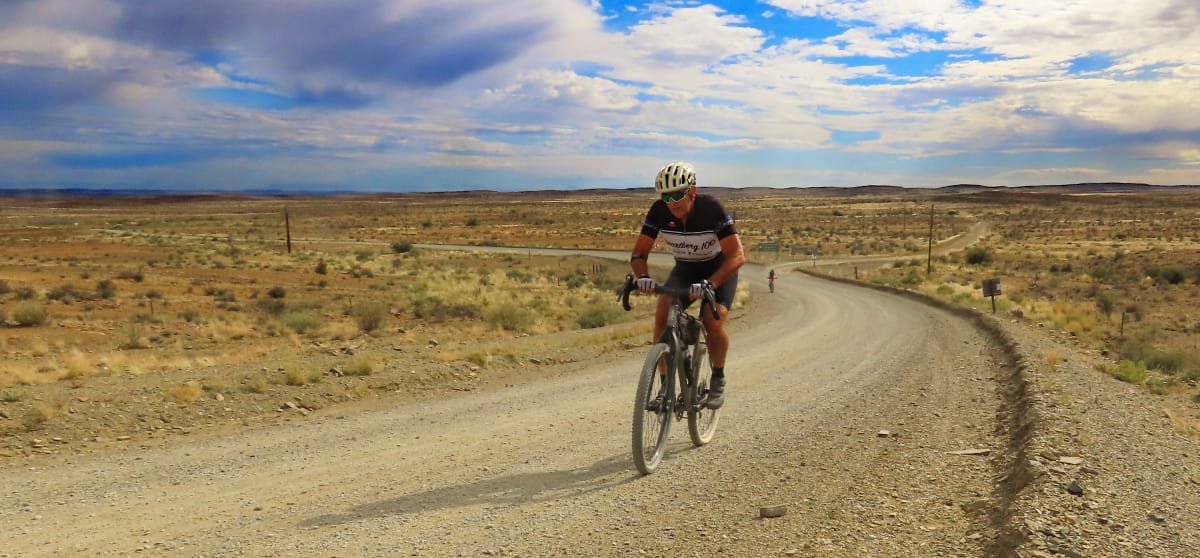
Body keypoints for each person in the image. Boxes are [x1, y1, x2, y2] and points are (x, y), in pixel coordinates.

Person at [629, 162, 745, 409]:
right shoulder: (659, 211)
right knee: (662, 316)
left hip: (718, 270)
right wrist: (643, 278)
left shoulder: (711, 208)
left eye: (677, 194)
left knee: (712, 321)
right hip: (686, 269)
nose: (671, 202)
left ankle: (718, 377)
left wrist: (710, 284)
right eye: (666, 196)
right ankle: (664, 386)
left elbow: (737, 256)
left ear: (692, 191)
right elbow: (639, 254)